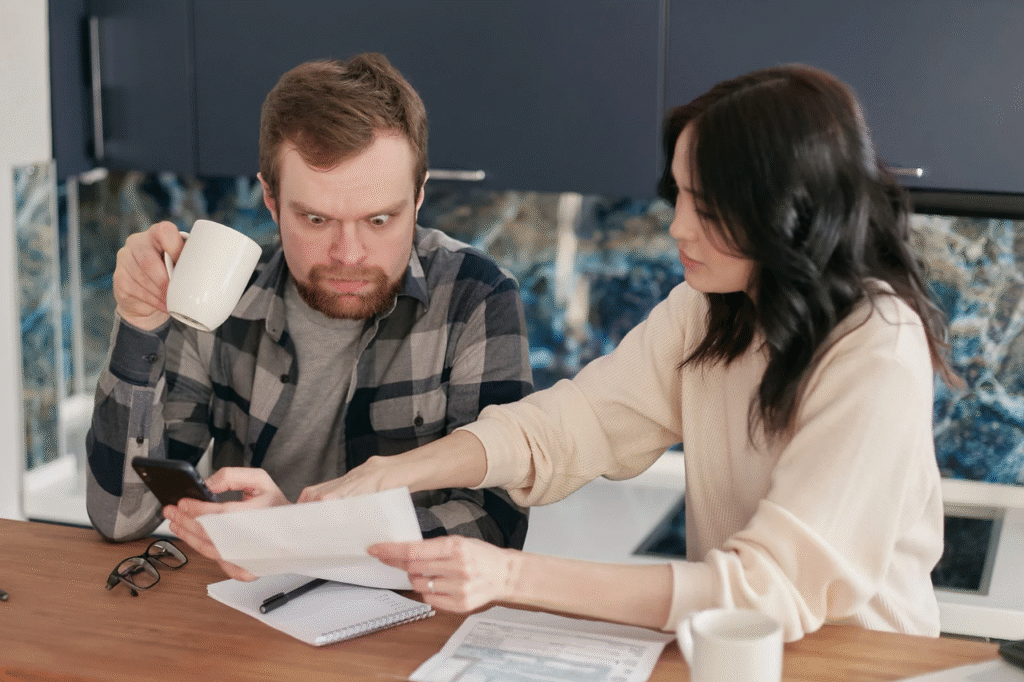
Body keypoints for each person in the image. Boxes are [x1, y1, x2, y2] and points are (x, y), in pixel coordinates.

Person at [167, 63, 957, 642]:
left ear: (787, 212)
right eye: (679, 196)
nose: (677, 227)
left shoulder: (876, 349)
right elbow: (569, 426)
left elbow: (767, 587)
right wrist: (393, 472)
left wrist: (509, 576)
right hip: (731, 655)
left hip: (859, 662)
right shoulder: (711, 311)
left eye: (706, 206)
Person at [85, 53, 534, 551]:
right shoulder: (222, 293)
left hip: (408, 599)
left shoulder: (475, 296)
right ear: (271, 200)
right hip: (243, 589)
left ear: (419, 196)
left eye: (379, 220)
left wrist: (303, 533)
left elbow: (496, 528)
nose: (349, 255)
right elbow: (121, 517)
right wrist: (139, 324)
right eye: (317, 220)